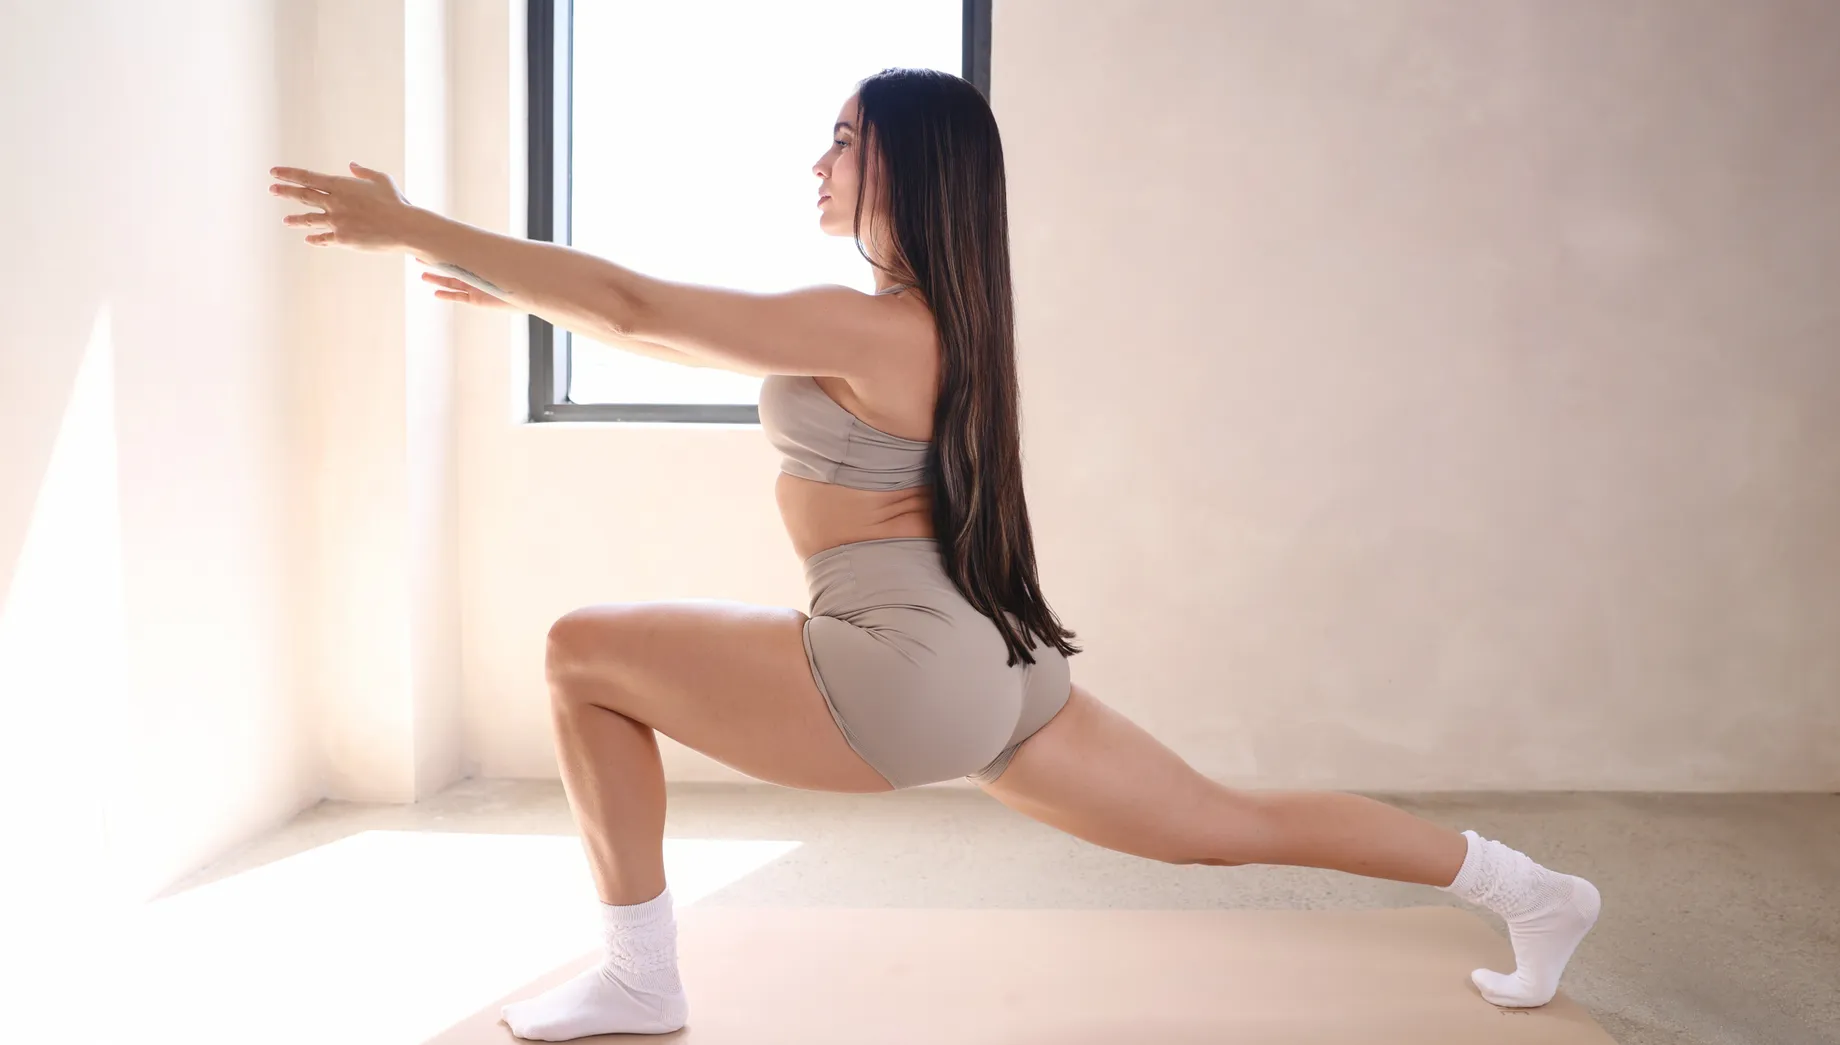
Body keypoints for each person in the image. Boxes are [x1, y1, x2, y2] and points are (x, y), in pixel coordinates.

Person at [270, 67, 1601, 1042]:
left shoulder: (878, 324)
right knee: (1223, 827)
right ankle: (1532, 892)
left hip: (906, 670)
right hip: (996, 665)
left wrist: (416, 228)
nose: (819, 162)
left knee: (579, 655)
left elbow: (634, 301)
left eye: (844, 140)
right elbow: (663, 332)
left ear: (906, 165)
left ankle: (638, 974)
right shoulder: (929, 318)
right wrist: (504, 289)